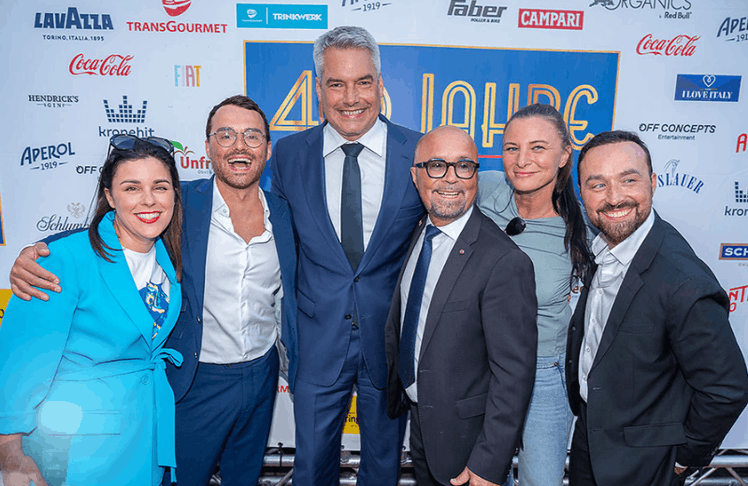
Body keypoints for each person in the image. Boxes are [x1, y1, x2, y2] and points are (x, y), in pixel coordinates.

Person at [8, 95, 298, 486]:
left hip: (261, 373)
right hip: (194, 379)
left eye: (252, 135)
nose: (239, 145)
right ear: (208, 146)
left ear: (267, 147)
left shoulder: (285, 213)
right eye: (226, 134)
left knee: (243, 477)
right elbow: (108, 229)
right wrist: (36, 252)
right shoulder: (181, 203)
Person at [269, 26, 424, 485]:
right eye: (336, 84)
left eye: (363, 82)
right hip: (317, 340)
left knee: (384, 467)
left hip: (389, 341)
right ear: (319, 89)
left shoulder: (418, 151)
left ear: (380, 84)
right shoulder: (288, 154)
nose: (351, 98)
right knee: (311, 468)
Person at [566, 130, 748, 486]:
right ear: (582, 193)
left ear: (652, 182)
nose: (613, 197)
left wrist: (682, 460)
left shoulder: (682, 280)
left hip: (646, 462)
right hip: (592, 437)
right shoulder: (607, 247)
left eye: (628, 180)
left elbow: (727, 388)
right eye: (597, 184)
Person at [0, 134, 183, 486]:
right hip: (75, 447)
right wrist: (9, 452)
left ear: (174, 193)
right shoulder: (61, 260)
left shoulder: (167, 259)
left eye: (160, 187)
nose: (148, 199)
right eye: (132, 188)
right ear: (110, 196)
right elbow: (19, 361)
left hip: (144, 438)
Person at [384, 125, 537, 486]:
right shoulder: (420, 231)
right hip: (422, 426)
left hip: (468, 447)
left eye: (464, 166)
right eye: (437, 165)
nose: (451, 178)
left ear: (476, 175)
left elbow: (513, 375)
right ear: (416, 175)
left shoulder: (504, 261)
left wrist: (489, 462)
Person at [477, 103, 593, 486]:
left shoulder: (584, 228)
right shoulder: (483, 189)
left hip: (544, 373)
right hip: (478, 367)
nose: (522, 160)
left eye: (538, 148)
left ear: (563, 155)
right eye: (512, 148)